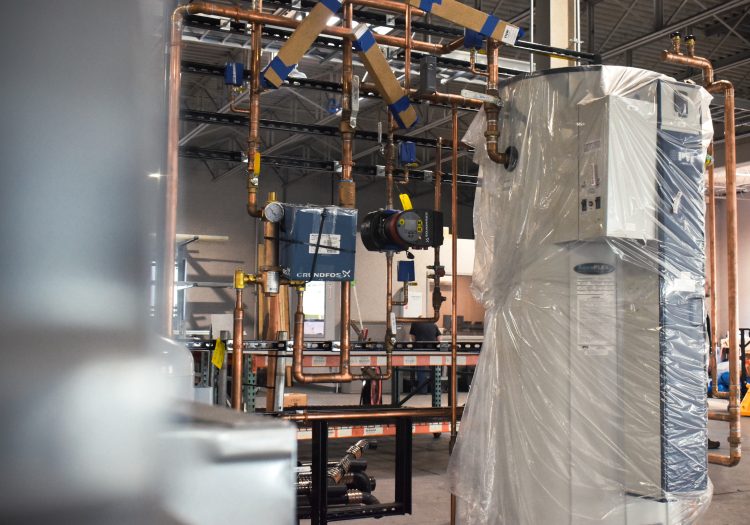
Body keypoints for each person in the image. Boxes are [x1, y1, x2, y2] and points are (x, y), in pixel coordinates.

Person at [409, 322, 441, 394]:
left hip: (420, 349)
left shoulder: (415, 324)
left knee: (421, 369)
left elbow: (413, 338)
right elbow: (439, 339)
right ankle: (435, 390)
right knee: (434, 369)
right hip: (432, 350)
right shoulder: (433, 324)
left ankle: (422, 390)